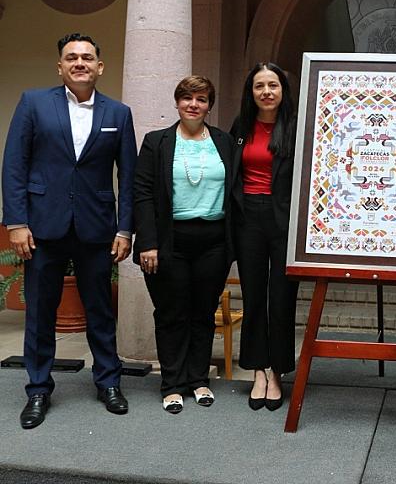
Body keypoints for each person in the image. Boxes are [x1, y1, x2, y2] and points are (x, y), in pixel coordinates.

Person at [2, 33, 137, 429]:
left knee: (100, 310)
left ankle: (108, 381)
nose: (80, 63)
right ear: (60, 66)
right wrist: (16, 222)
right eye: (71, 57)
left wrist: (125, 229)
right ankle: (39, 389)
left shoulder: (119, 113)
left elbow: (126, 177)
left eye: (87, 57)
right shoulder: (33, 103)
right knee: (41, 312)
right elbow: (15, 165)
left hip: (96, 227)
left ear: (100, 66)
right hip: (42, 226)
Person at [133, 76, 234, 414]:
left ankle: (198, 380)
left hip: (214, 241)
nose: (194, 104)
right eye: (187, 98)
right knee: (171, 313)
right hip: (168, 241)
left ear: (209, 105)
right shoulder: (156, 142)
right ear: (177, 102)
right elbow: (143, 194)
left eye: (202, 99)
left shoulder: (224, 141)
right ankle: (172, 384)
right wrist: (147, 242)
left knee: (203, 314)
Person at [231, 63, 298, 411]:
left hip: (285, 221)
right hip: (249, 218)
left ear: (283, 90)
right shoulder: (241, 127)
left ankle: (278, 371)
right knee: (254, 296)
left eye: (273, 85)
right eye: (260, 86)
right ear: (251, 91)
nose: (267, 92)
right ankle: (259, 368)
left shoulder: (297, 128)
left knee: (282, 298)